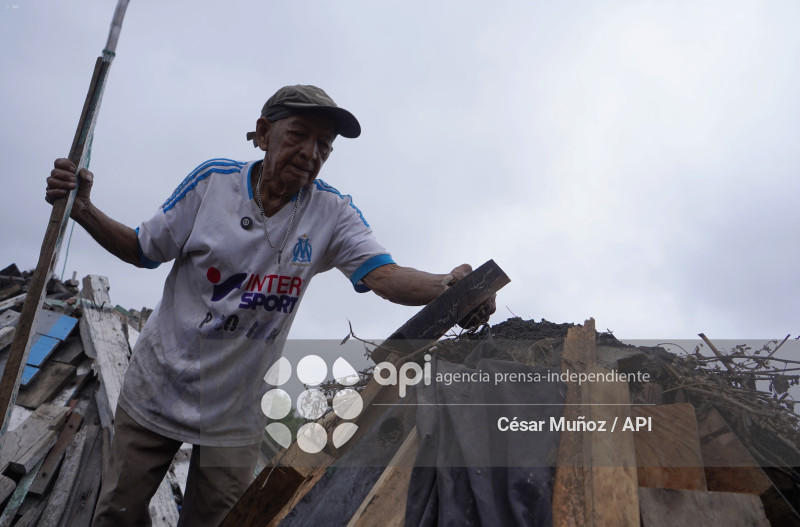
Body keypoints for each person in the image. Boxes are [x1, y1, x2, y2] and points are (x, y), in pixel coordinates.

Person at [46, 84, 494, 527]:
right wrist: (83, 209)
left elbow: (384, 276)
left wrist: (451, 286)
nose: (310, 152)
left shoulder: (331, 213)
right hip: (159, 389)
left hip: (235, 414)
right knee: (117, 515)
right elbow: (141, 250)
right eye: (298, 134)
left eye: (324, 144)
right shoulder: (213, 185)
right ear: (263, 134)